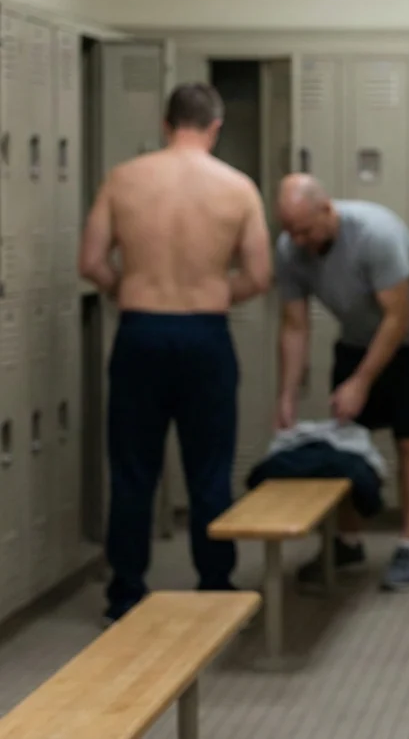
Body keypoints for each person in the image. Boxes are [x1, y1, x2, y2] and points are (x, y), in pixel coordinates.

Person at [78, 82, 272, 625]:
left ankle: (126, 593)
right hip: (205, 336)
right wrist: (211, 294)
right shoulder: (237, 188)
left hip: (141, 332)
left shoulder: (125, 178)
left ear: (166, 124)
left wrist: (129, 290)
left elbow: (91, 261)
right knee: (209, 469)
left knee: (134, 469)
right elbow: (259, 275)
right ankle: (213, 586)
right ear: (214, 127)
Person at [274, 173, 409, 591]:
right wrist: (287, 394)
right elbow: (295, 327)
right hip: (357, 336)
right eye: (290, 231)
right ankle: (347, 542)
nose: (299, 240)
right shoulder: (290, 250)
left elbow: (397, 317)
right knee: (347, 438)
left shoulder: (375, 234)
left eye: (306, 229)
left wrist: (361, 382)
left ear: (327, 209)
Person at [245, 418, 388, 583]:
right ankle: (347, 543)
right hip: (329, 456)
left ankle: (347, 544)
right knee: (346, 474)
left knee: (344, 477)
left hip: (322, 455)